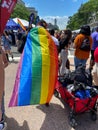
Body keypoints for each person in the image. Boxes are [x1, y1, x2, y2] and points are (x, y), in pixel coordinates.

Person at [0, 38, 8, 130]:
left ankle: (2, 120)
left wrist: (1, 68)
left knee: (1, 98)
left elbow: (6, 62)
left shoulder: (0, 49)